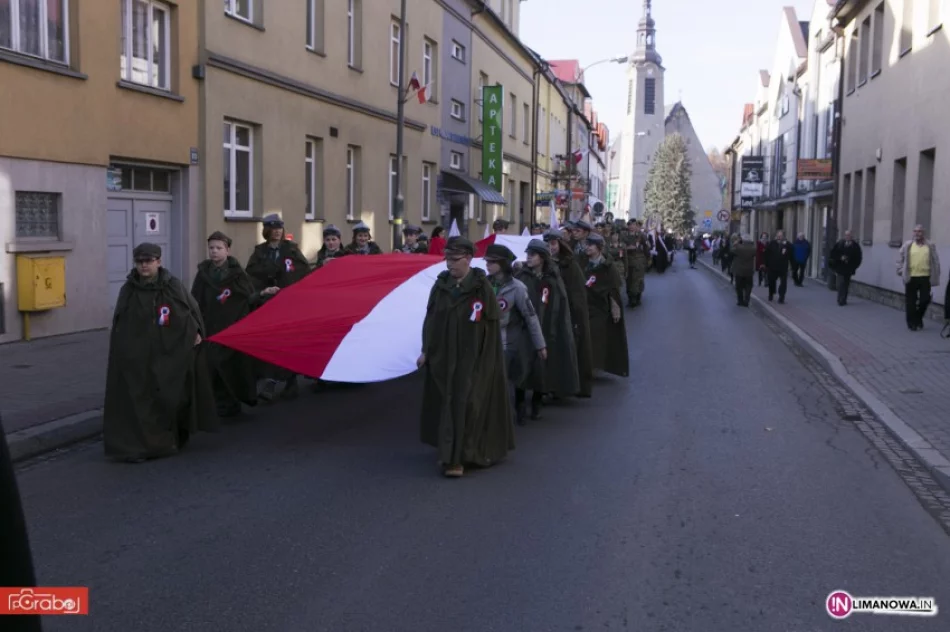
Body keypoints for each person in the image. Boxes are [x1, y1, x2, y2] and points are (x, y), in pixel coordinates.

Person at [104, 243, 219, 462]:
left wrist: (194, 331)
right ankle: (144, 446)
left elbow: (188, 311)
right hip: (137, 355)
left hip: (168, 352)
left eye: (148, 261)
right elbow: (121, 322)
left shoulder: (171, 285)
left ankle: (173, 436)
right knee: (140, 399)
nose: (144, 266)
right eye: (140, 262)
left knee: (170, 395)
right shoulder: (129, 290)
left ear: (158, 261)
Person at [417, 237, 513, 478]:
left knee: (467, 404)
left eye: (455, 259)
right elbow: (431, 320)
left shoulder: (482, 287)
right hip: (443, 356)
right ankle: (449, 452)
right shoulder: (440, 286)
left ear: (468, 259)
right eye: (447, 259)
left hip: (473, 359)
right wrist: (425, 350)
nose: (449, 264)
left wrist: (489, 361)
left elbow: (490, 328)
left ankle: (459, 458)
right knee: (446, 403)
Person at [191, 231, 275, 417]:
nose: (214, 252)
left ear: (227, 250)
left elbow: (247, 297)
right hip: (209, 325)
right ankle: (217, 402)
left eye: (219, 248)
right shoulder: (204, 273)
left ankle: (232, 402)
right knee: (211, 365)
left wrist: (262, 294)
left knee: (232, 365)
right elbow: (195, 299)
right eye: (211, 248)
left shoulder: (237, 274)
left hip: (232, 325)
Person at [246, 214, 311, 400]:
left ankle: (289, 382)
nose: (276, 231)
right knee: (272, 342)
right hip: (268, 303)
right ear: (266, 231)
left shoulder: (291, 250)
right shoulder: (260, 252)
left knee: (290, 342)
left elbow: (302, 272)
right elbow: (251, 276)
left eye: (279, 228)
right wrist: (264, 289)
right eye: (273, 228)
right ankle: (272, 380)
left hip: (289, 304)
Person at [485, 244, 547, 425]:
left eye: (492, 261)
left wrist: (540, 345)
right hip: (485, 341)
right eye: (487, 261)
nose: (488, 264)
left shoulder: (517, 288)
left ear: (503, 264)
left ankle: (503, 420)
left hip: (506, 344)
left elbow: (530, 316)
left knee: (501, 383)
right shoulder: (484, 284)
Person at [518, 239, 579, 402]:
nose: (528, 257)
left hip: (547, 326)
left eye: (533, 255)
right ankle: (520, 404)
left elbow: (560, 302)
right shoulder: (522, 276)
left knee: (542, 366)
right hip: (526, 328)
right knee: (523, 365)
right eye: (527, 254)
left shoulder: (553, 277)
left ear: (542, 257)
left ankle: (539, 399)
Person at [544, 230, 594, 398]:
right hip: (546, 312)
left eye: (552, 244)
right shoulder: (541, 264)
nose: (550, 247)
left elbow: (577, 293)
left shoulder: (569, 264)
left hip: (565, 313)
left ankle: (563, 386)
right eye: (547, 244)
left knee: (563, 350)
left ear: (559, 244)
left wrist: (575, 317)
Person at [583, 233, 629, 377]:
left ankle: (593, 365)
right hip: (584, 305)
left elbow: (613, 290)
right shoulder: (582, 263)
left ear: (599, 248)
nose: (587, 247)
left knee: (595, 337)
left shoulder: (607, 266)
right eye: (587, 244)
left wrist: (616, 310)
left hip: (600, 308)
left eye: (590, 245)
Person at [897, 224, 942, 331]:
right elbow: (900, 259)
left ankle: (918, 318)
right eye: (915, 231)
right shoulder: (908, 245)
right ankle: (911, 323)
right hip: (911, 277)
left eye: (919, 231)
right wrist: (900, 270)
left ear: (923, 233)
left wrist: (937, 272)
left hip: (925, 277)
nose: (917, 233)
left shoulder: (930, 245)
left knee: (924, 300)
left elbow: (935, 260)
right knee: (911, 302)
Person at [829, 230, 863, 306]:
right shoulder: (840, 244)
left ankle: (844, 299)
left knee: (846, 284)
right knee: (841, 283)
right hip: (840, 267)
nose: (847, 237)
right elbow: (833, 254)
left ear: (851, 237)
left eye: (849, 235)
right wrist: (840, 257)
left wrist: (853, 265)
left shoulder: (855, 246)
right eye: (846, 235)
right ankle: (840, 299)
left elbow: (858, 258)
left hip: (849, 268)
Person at [764, 230, 792, 303]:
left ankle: (781, 297)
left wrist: (787, 246)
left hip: (783, 267)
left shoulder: (787, 244)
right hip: (772, 266)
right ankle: (771, 294)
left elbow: (791, 253)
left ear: (783, 236)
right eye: (778, 235)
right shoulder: (772, 243)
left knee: (783, 283)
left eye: (781, 236)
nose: (779, 237)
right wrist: (766, 264)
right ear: (776, 236)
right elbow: (767, 254)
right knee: (771, 281)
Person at [731, 234, 757, 307]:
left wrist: (736, 243)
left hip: (739, 270)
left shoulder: (739, 248)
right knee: (748, 286)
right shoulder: (753, 248)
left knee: (739, 286)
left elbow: (732, 250)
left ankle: (740, 300)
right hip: (749, 270)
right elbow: (755, 254)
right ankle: (747, 300)